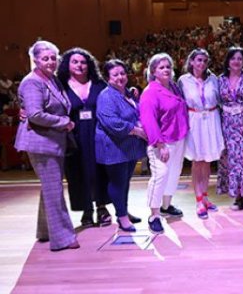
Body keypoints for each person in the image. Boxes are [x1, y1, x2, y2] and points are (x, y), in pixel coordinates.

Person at [15, 40, 79, 251]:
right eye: (45, 58)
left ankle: (45, 231)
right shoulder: (32, 82)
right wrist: (64, 122)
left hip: (52, 142)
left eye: (53, 58)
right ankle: (63, 239)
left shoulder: (51, 79)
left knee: (50, 188)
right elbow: (34, 114)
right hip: (41, 143)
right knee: (54, 190)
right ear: (35, 60)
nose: (50, 62)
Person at [57, 48, 110, 228]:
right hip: (74, 135)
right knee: (78, 172)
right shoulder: (60, 86)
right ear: (67, 65)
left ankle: (102, 207)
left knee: (101, 171)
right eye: (75, 62)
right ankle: (86, 209)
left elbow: (115, 96)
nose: (79, 65)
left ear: (89, 65)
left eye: (83, 62)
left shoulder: (99, 83)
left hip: (98, 133)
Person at [140, 53, 189, 234]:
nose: (166, 70)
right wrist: (160, 144)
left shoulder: (174, 87)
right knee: (160, 175)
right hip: (162, 142)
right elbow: (148, 120)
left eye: (168, 66)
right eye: (161, 67)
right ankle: (154, 214)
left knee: (174, 173)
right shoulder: (150, 92)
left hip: (178, 138)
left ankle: (166, 206)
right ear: (153, 71)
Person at [95, 60, 147, 232]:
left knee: (125, 182)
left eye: (122, 73)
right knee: (118, 182)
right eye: (115, 74)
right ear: (107, 77)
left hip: (129, 147)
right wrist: (137, 130)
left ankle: (123, 211)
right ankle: (122, 218)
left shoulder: (128, 93)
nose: (120, 77)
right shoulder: (106, 96)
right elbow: (112, 123)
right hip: (114, 147)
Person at [178, 49, 224, 219]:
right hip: (194, 120)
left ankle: (205, 197)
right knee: (197, 162)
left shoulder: (214, 79)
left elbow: (220, 99)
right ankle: (198, 200)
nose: (202, 64)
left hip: (211, 119)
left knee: (207, 161)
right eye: (199, 60)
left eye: (205, 61)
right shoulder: (183, 80)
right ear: (191, 62)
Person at [217, 47, 243, 212]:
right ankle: (236, 196)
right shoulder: (220, 80)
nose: (236, 61)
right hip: (226, 124)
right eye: (233, 58)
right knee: (231, 160)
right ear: (228, 61)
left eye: (240, 59)